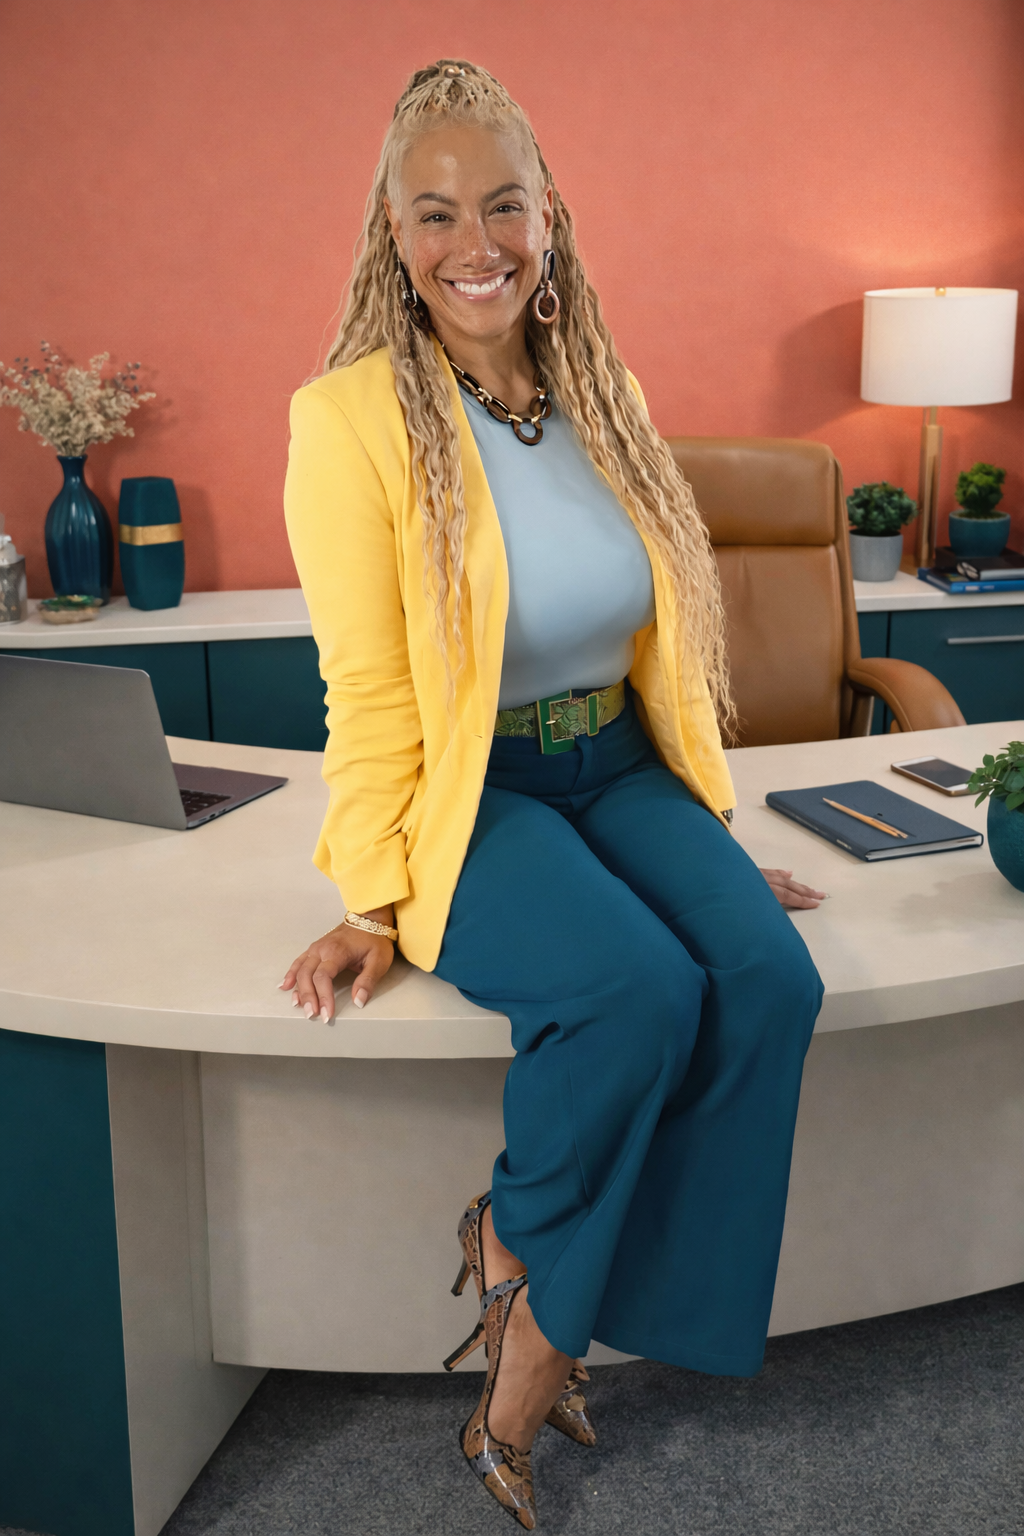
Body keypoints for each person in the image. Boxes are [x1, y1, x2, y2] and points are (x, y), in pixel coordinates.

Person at [282, 59, 825, 1530]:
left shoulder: (605, 394)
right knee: (639, 994)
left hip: (622, 767)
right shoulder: (349, 423)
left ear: (550, 215)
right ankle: (529, 1335)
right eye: (438, 211)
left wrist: (702, 847)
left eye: (505, 202)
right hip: (483, 796)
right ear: (390, 235)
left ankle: (531, 1244)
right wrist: (375, 897)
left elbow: (668, 643)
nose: (479, 241)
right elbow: (372, 692)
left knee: (765, 977)